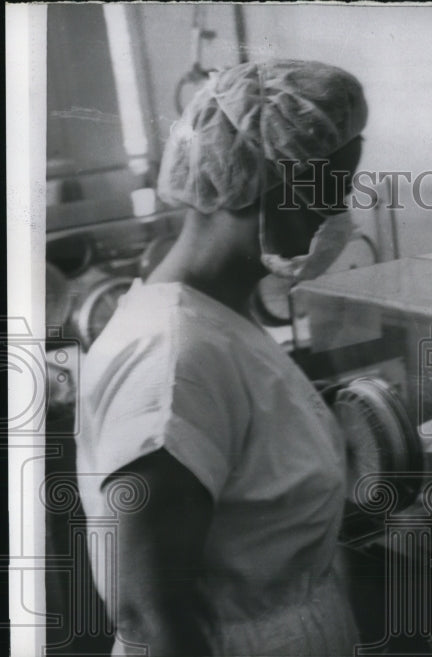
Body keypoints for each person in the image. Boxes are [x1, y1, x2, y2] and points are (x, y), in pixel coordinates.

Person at [76, 59, 367, 657]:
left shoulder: (219, 318)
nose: (342, 211)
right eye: (334, 187)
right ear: (271, 188)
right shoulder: (174, 359)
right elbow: (148, 614)